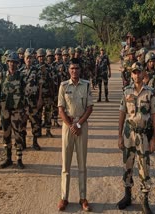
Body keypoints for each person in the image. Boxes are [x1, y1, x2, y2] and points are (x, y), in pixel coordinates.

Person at [117, 63, 155, 214]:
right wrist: (119, 135)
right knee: (127, 165)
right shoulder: (126, 91)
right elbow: (122, 113)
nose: (137, 75)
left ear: (143, 74)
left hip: (144, 135)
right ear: (131, 74)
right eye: (134, 72)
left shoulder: (150, 92)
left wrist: (154, 138)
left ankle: (145, 200)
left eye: (139, 72)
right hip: (129, 134)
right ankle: (127, 196)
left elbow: (154, 115)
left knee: (144, 168)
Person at [57, 58, 93, 212]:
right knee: (66, 164)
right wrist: (71, 125)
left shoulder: (86, 85)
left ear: (80, 70)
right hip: (68, 127)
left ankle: (83, 198)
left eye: (77, 68)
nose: (74, 71)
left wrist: (78, 124)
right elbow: (60, 109)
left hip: (81, 126)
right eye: (72, 68)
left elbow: (89, 107)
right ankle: (64, 197)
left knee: (82, 164)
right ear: (69, 70)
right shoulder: (64, 86)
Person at [0, 52, 26, 169]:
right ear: (7, 63)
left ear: (17, 64)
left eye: (14, 62)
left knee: (18, 134)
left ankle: (19, 159)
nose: (12, 64)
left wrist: (24, 109)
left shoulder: (21, 76)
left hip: (17, 110)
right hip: (5, 110)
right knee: (6, 134)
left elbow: (25, 92)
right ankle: (8, 158)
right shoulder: (1, 76)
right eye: (10, 62)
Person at [20, 49, 43, 150]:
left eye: (30, 58)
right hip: (24, 102)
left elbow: (40, 85)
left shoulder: (37, 70)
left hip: (34, 101)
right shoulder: (20, 71)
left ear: (33, 59)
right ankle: (23, 142)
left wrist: (40, 99)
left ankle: (35, 142)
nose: (29, 59)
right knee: (22, 123)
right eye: (27, 58)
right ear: (24, 59)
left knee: (35, 122)